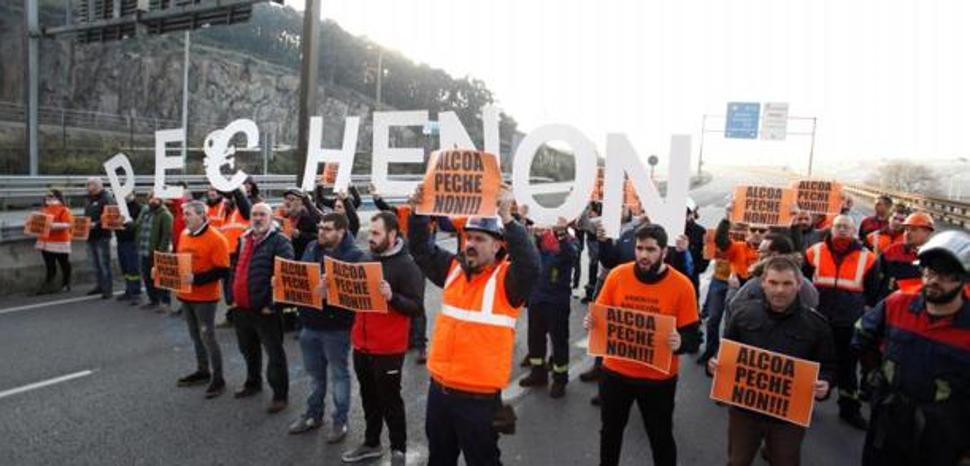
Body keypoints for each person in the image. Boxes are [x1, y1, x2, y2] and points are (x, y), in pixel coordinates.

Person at [407, 183, 539, 466]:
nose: (470, 244)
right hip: (439, 391)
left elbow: (531, 267)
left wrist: (508, 219)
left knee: (483, 461)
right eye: (468, 237)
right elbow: (420, 249)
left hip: (479, 400)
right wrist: (419, 212)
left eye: (480, 239)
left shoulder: (507, 280)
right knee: (439, 459)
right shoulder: (454, 269)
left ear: (498, 245)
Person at [585, 223, 700, 466]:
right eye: (639, 248)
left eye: (651, 249)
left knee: (660, 437)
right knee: (610, 433)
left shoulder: (682, 286)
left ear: (664, 252)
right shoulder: (618, 275)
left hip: (658, 380)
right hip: (616, 373)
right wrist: (592, 321)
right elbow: (602, 313)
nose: (644, 255)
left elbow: (693, 336)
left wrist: (681, 342)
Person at [853, 230, 970, 466]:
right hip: (889, 422)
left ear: (964, 280)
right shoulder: (898, 303)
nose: (934, 281)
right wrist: (874, 374)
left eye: (947, 275)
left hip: (943, 435)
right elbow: (862, 335)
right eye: (930, 272)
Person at [708, 256, 837, 466]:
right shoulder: (742, 315)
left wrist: (826, 384)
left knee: (785, 461)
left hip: (787, 418)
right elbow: (724, 354)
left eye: (787, 283)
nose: (779, 290)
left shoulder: (816, 326)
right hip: (745, 412)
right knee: (737, 461)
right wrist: (713, 366)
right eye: (773, 283)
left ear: (799, 285)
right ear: (763, 283)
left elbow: (829, 366)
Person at [340, 212, 425, 465]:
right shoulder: (366, 258)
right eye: (370, 232)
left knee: (390, 401)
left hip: (388, 348)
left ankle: (398, 449)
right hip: (362, 344)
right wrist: (331, 287)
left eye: (376, 234)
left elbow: (417, 307)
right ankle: (371, 443)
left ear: (392, 235)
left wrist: (392, 298)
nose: (370, 238)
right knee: (368, 398)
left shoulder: (407, 265)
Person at [289, 212, 364, 443]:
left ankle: (340, 421)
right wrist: (284, 281)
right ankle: (313, 415)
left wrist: (330, 291)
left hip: (336, 328)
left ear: (341, 232)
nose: (321, 231)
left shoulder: (355, 256)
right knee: (314, 376)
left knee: (339, 376)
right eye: (320, 227)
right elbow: (301, 274)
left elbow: (357, 296)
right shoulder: (312, 247)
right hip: (310, 323)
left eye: (327, 228)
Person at [802, 214, 879, 429]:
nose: (842, 230)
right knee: (811, 364)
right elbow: (803, 282)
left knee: (847, 368)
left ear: (854, 231)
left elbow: (873, 294)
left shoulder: (869, 258)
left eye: (846, 227)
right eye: (838, 226)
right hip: (818, 320)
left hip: (848, 322)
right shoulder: (813, 252)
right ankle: (802, 404)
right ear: (831, 229)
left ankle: (849, 409)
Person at [230, 203, 294, 411]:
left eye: (262, 215)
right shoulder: (244, 238)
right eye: (254, 214)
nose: (258, 218)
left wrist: (273, 304)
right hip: (242, 308)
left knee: (274, 354)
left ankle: (280, 395)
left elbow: (286, 276)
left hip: (265, 310)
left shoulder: (280, 241)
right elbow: (235, 268)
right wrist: (231, 296)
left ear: (271, 217)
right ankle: (253, 383)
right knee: (248, 350)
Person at [169, 200, 231, 399]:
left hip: (205, 299)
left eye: (188, 214)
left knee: (208, 337)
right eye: (183, 214)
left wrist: (196, 279)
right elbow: (179, 261)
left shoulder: (217, 239)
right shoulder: (184, 234)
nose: (184, 217)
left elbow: (222, 271)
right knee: (195, 336)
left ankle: (218, 379)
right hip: (185, 295)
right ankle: (203, 371)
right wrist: (163, 270)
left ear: (202, 216)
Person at [519, 217, 578, 398]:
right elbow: (523, 254)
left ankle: (560, 378)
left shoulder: (567, 237)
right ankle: (539, 372)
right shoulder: (536, 239)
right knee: (535, 339)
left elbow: (570, 254)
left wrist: (560, 232)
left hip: (556, 301)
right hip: (537, 299)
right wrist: (523, 226)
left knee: (559, 342)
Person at [696, 215, 765, 365]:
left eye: (761, 230)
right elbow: (720, 241)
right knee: (713, 319)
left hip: (747, 290)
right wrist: (727, 219)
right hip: (722, 281)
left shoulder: (768, 251)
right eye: (753, 229)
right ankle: (711, 350)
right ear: (747, 231)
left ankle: (731, 355)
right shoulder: (738, 245)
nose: (757, 233)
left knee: (734, 323)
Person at [372, 185, 428, 363]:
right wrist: (376, 196)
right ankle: (411, 339)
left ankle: (421, 346)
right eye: (410, 198)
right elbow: (386, 209)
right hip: (402, 258)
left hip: (419, 263)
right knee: (400, 300)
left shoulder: (428, 214)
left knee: (417, 305)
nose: (411, 201)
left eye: (415, 199)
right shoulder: (401, 211)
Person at [727, 233, 819, 320]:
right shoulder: (806, 284)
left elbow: (735, 308)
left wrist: (733, 289)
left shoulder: (759, 282)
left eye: (762, 252)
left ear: (774, 255)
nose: (758, 255)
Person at [873, 212, 934, 300]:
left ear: (927, 232)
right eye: (906, 229)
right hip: (888, 302)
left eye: (913, 229)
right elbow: (876, 277)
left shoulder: (934, 256)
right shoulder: (892, 250)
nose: (907, 233)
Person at [134, 192, 173, 312]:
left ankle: (165, 302)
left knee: (161, 278)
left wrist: (161, 252)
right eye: (151, 198)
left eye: (156, 198)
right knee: (147, 277)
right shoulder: (145, 212)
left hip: (157, 252)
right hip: (144, 250)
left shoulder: (165, 215)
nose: (153, 201)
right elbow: (138, 226)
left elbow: (166, 235)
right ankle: (153, 300)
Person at [34, 189, 74, 295]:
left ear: (58, 197)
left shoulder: (64, 210)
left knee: (64, 263)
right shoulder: (44, 210)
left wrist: (53, 226)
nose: (48, 199)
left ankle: (66, 283)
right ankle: (48, 285)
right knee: (49, 265)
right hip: (46, 242)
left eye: (51, 196)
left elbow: (69, 224)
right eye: (47, 197)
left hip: (60, 242)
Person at [84, 177, 116, 299]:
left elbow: (110, 216)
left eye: (89, 185)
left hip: (102, 235)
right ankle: (99, 285)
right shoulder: (88, 198)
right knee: (94, 263)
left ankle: (108, 289)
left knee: (104, 263)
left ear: (97, 185)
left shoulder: (106, 198)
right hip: (90, 235)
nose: (87, 187)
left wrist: (96, 224)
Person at [116, 193, 144, 304]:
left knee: (133, 268)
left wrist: (127, 224)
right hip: (121, 240)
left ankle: (136, 292)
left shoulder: (138, 208)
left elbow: (138, 225)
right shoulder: (119, 207)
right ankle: (129, 290)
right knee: (125, 268)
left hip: (132, 241)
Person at [282, 188, 323, 260]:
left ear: (300, 202)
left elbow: (317, 237)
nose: (287, 202)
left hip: (300, 259)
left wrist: (300, 235)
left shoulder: (308, 218)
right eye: (286, 199)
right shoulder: (281, 217)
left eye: (292, 199)